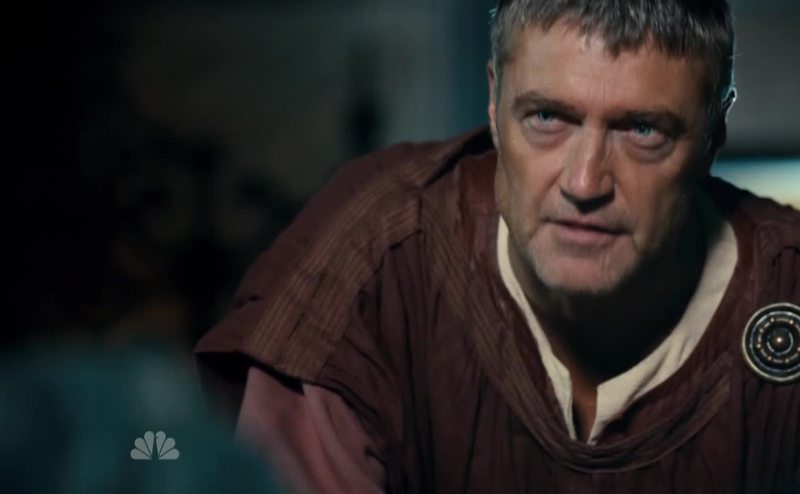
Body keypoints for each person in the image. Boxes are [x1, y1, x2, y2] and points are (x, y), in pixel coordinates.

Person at [195, 0, 800, 491]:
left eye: (643, 130)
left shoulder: (786, 288)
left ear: (713, 134)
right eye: (547, 118)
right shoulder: (373, 259)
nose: (584, 182)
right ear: (493, 100)